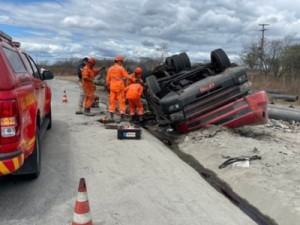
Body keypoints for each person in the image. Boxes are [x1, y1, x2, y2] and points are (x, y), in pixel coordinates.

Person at [106, 55, 131, 122]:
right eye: (121, 61)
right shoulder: (121, 68)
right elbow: (127, 76)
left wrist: (108, 86)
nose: (122, 63)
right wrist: (132, 77)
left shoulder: (110, 69)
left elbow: (107, 80)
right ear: (119, 61)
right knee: (121, 102)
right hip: (120, 87)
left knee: (112, 101)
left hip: (112, 87)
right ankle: (122, 117)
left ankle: (111, 117)